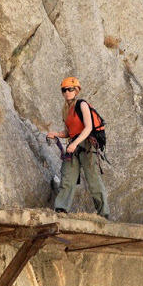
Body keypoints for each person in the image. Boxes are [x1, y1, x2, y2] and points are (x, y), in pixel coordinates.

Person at [47, 76, 109, 218]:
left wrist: (74, 144)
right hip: (74, 144)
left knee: (93, 180)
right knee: (67, 177)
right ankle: (61, 210)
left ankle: (103, 214)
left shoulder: (82, 105)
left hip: (87, 144)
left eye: (70, 89)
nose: (67, 92)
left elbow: (88, 128)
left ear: (76, 91)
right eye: (64, 90)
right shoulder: (66, 110)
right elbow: (69, 132)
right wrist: (56, 134)